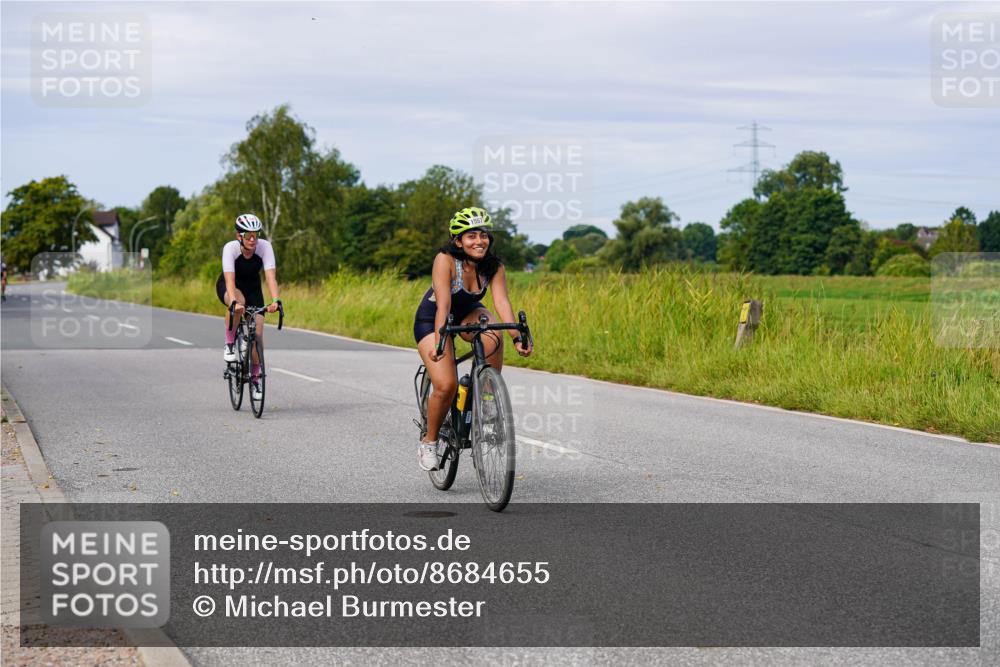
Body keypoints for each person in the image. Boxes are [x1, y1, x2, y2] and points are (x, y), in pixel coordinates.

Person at [413, 206, 532, 471]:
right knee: (446, 385)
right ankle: (429, 442)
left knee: (493, 332)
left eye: (483, 235)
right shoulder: (445, 260)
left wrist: (517, 337)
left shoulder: (494, 266)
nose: (479, 241)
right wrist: (441, 342)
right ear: (458, 241)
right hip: (433, 320)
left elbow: (502, 302)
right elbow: (444, 305)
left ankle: (487, 401)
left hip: (467, 314)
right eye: (471, 236)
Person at [216, 214, 281, 400]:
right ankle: (230, 343)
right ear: (239, 236)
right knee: (238, 302)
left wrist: (275, 300)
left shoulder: (265, 247)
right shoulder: (230, 249)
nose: (253, 239)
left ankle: (256, 379)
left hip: (253, 289)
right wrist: (233, 302)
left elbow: (270, 277)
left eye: (256, 235)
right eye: (248, 235)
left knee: (257, 335)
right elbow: (230, 279)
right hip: (230, 286)